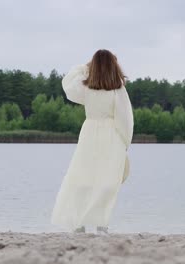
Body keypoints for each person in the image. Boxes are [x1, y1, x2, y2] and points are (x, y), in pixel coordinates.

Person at [50, 49, 134, 235]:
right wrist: (125, 142)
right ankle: (100, 224)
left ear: (93, 67)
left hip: (89, 134)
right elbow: (125, 119)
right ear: (114, 66)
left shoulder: (86, 89)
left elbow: (68, 82)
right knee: (107, 181)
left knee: (82, 177)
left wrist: (84, 66)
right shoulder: (118, 90)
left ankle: (78, 223)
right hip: (112, 135)